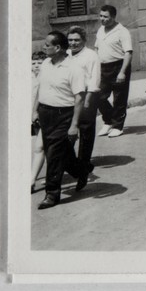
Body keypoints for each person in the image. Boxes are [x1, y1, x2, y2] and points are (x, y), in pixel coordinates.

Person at [33, 31, 88, 209]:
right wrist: (35, 111)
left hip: (63, 114)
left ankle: (52, 193)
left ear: (57, 48)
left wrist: (74, 125)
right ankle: (82, 170)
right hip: (45, 112)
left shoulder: (73, 68)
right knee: (62, 153)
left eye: (47, 45)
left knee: (54, 154)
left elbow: (79, 97)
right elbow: (40, 88)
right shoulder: (46, 63)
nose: (43, 47)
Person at [66, 26, 101, 176]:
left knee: (86, 132)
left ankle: (84, 163)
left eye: (76, 40)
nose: (73, 43)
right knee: (68, 131)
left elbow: (94, 79)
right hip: (70, 96)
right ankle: (71, 164)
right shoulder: (66, 54)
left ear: (84, 40)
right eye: (70, 40)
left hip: (87, 95)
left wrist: (88, 101)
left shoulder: (91, 55)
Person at [94, 4, 133, 138]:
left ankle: (117, 126)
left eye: (105, 17)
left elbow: (128, 53)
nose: (102, 19)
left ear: (113, 17)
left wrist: (122, 72)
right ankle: (108, 120)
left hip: (118, 66)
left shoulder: (122, 31)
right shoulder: (100, 30)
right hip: (103, 67)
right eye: (101, 16)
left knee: (119, 98)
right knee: (98, 96)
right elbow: (96, 48)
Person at [31, 51, 46, 193]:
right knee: (41, 146)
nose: (36, 66)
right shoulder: (29, 78)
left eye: (39, 63)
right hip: (31, 117)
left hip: (43, 115)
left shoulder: (45, 76)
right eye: (33, 63)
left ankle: (31, 180)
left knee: (40, 147)